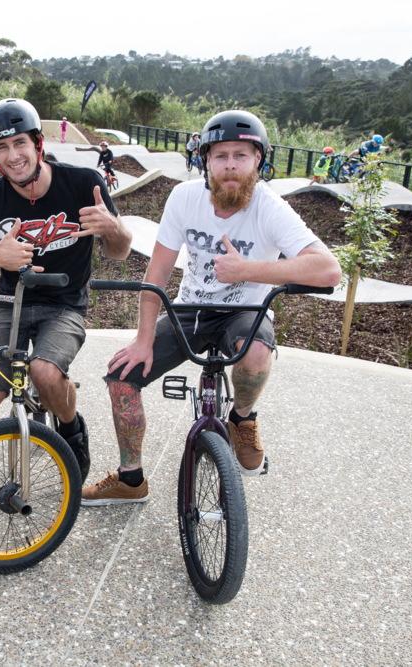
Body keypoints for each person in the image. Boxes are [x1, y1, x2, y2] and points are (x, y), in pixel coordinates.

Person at [84, 109, 341, 506]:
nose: (231, 165)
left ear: (259, 160)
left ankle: (242, 416)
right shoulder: (184, 198)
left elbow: (327, 270)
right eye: (221, 156)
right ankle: (130, 477)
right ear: (205, 160)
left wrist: (247, 270)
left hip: (246, 311)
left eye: (242, 155)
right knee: (121, 378)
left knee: (256, 354)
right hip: (190, 307)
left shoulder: (269, 207)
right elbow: (156, 276)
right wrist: (143, 340)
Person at [0, 97, 134, 493]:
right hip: (11, 304)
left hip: (65, 305)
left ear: (38, 145)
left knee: (44, 372)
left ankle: (71, 431)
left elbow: (119, 251)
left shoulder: (83, 184)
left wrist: (112, 227)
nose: (13, 155)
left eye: (20, 143)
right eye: (2, 147)